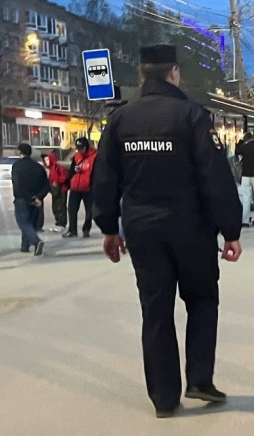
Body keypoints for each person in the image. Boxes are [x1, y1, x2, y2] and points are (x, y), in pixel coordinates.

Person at [92, 45, 243, 419]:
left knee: (155, 310)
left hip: (143, 230)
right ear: (174, 72)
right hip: (192, 228)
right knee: (202, 299)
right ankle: (200, 379)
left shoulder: (120, 120)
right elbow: (215, 177)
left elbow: (104, 178)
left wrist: (109, 228)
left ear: (142, 75)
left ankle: (163, 398)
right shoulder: (192, 116)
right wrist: (231, 230)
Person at [12, 143, 49, 256]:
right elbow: (46, 185)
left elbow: (17, 185)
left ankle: (36, 241)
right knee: (30, 223)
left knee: (23, 223)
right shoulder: (38, 167)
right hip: (36, 199)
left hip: (22, 198)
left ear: (19, 152)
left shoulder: (17, 166)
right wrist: (39, 197)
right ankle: (25, 246)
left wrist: (30, 197)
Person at [64, 138, 97, 238]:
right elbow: (71, 171)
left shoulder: (95, 157)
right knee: (72, 209)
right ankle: (72, 230)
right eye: (78, 148)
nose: (80, 151)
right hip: (75, 187)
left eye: (81, 148)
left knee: (89, 210)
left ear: (86, 147)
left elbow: (97, 172)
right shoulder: (76, 156)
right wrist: (74, 173)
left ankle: (86, 229)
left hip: (88, 188)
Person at [43, 152, 69, 232]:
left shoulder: (58, 167)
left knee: (60, 207)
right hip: (55, 190)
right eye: (45, 160)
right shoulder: (50, 168)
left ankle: (62, 224)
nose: (46, 161)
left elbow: (64, 176)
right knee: (55, 207)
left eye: (47, 159)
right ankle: (58, 223)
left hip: (61, 190)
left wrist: (57, 182)